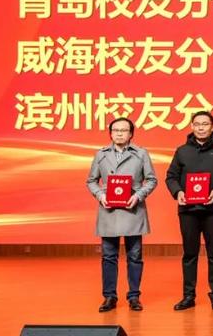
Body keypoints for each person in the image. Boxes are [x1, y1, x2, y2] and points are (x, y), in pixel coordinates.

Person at [165, 111, 213, 310]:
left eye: (205, 124)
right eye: (197, 124)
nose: (201, 127)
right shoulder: (182, 151)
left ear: (212, 126)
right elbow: (171, 176)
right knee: (189, 253)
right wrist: (178, 192)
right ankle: (188, 296)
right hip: (188, 210)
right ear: (191, 126)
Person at [86, 117, 157, 312]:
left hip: (133, 209)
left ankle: (134, 296)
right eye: (115, 130)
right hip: (109, 210)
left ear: (131, 134)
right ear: (110, 133)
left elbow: (152, 180)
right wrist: (100, 195)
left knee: (135, 256)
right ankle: (109, 296)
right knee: (109, 256)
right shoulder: (101, 154)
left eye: (123, 130)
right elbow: (91, 181)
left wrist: (138, 196)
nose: (119, 133)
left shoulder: (141, 154)